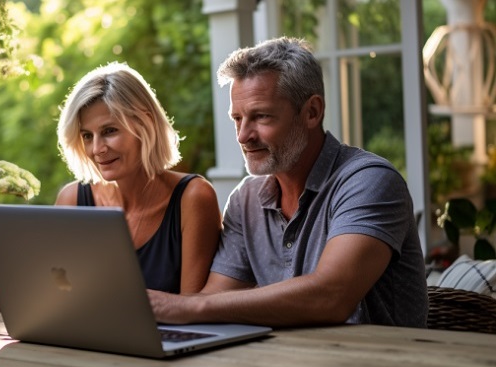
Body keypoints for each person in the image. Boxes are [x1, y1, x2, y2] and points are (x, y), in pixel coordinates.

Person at [148, 37, 429, 328]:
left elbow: (331, 297)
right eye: (237, 118)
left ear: (312, 112)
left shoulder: (369, 181)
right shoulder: (246, 200)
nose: (243, 136)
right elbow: (216, 299)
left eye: (261, 116)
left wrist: (185, 305)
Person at [0, 62, 221, 309]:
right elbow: (49, 295)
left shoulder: (193, 198)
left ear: (145, 124)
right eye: (87, 136)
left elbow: (192, 310)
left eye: (109, 131)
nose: (97, 149)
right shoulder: (72, 200)